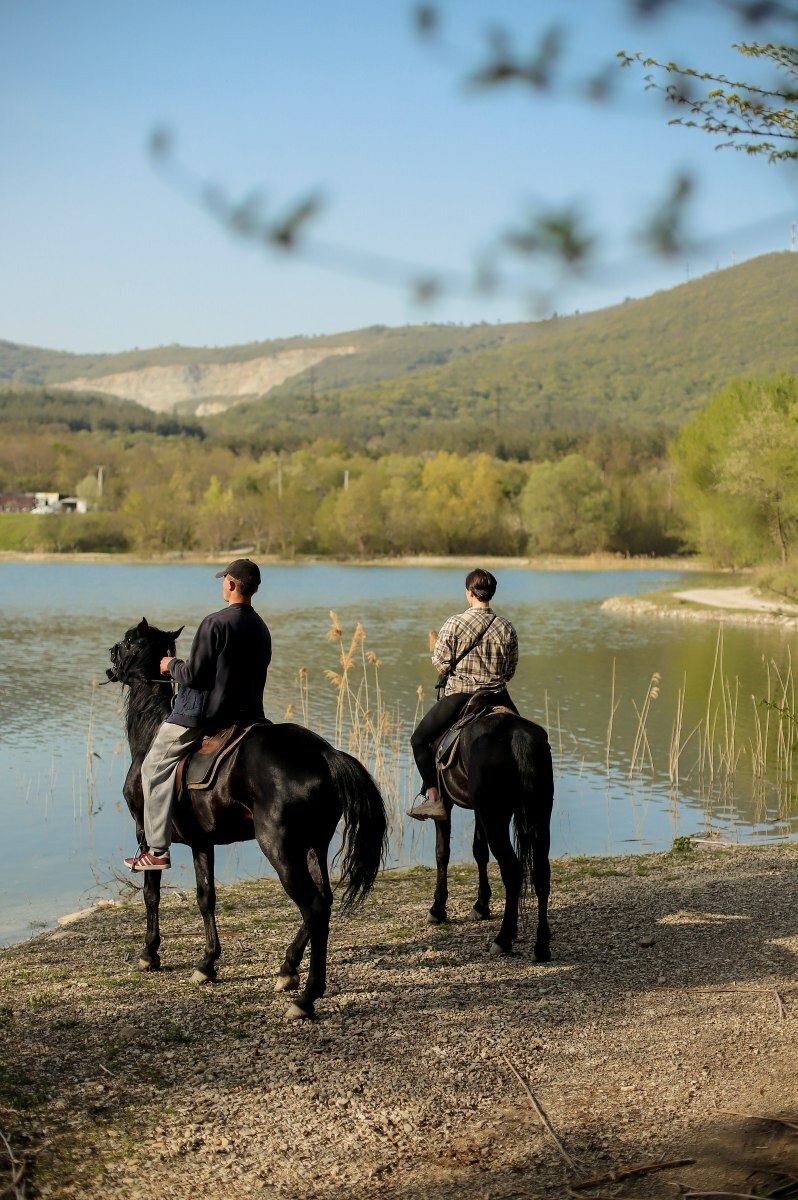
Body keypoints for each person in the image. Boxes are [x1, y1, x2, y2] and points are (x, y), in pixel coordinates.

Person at [124, 558, 272, 871]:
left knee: (151, 766)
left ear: (231, 584)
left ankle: (158, 850)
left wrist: (170, 666)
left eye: (224, 579)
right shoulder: (261, 627)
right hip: (249, 716)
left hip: (208, 716)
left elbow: (195, 677)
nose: (222, 584)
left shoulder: (215, 623)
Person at [409, 568, 518, 821]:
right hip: (498, 696)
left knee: (418, 740)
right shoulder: (506, 627)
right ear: (491, 594)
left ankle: (434, 799)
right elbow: (510, 669)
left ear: (469, 593)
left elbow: (441, 664)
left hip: (461, 696)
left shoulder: (455, 623)